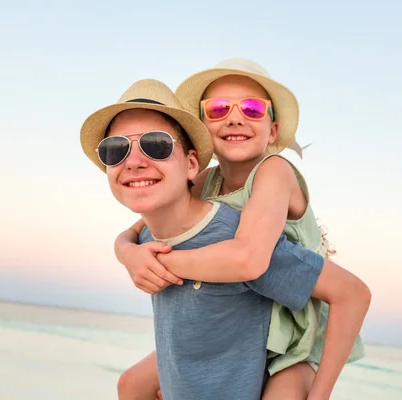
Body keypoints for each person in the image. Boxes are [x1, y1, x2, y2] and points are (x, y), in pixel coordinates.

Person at [114, 60, 369, 399]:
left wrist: (161, 264)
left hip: (295, 333)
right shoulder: (206, 179)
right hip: (248, 317)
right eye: (218, 109)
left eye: (251, 109)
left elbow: (248, 259)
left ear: (273, 130)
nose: (235, 118)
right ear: (203, 128)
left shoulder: (274, 171)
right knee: (131, 385)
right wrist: (128, 253)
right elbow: (133, 231)